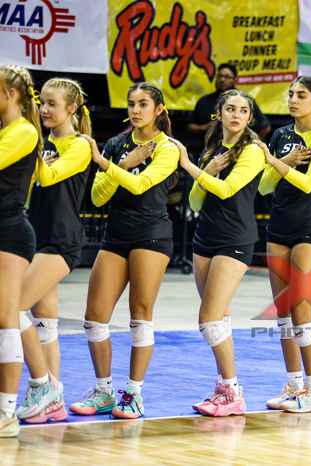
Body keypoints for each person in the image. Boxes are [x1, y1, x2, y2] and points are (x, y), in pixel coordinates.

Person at [70, 83, 179, 419]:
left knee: (140, 314)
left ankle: (133, 393)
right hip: (116, 235)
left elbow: (140, 184)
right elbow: (97, 197)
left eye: (143, 104)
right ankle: (104, 391)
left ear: (159, 109)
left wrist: (112, 166)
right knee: (94, 317)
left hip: (151, 235)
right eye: (131, 103)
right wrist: (123, 162)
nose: (135, 110)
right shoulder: (117, 144)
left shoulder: (167, 147)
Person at [177, 89, 265, 416]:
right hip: (205, 237)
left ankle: (233, 389)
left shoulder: (253, 150)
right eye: (230, 109)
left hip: (235, 238)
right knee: (219, 318)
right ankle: (224, 387)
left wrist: (190, 167)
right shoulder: (213, 150)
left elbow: (228, 190)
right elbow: (195, 200)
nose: (236, 115)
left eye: (242, 110)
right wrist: (207, 169)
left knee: (209, 320)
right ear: (220, 113)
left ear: (249, 117)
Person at [258, 76, 311, 413]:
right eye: (291, 94)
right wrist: (284, 161)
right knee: (282, 312)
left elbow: (309, 183)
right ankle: (294, 385)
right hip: (279, 227)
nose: (292, 99)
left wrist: (277, 162)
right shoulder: (281, 135)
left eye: (301, 95)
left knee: (301, 310)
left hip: (310, 230)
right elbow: (264, 187)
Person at [15, 78, 92, 424]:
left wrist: (29, 138)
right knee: (45, 325)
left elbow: (48, 177)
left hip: (61, 240)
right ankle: (55, 399)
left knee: (10, 308)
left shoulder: (80, 145)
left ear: (71, 108)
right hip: (36, 237)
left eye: (52, 104)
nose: (44, 109)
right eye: (41, 103)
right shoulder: (43, 143)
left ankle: (41, 385)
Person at [0, 64, 41, 438]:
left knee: (6, 318)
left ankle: (7, 412)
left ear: (11, 94)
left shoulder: (24, 131)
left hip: (9, 233)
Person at [188, 62, 271, 148]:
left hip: (238, 150)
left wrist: (252, 145)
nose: (222, 80)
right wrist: (205, 127)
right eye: (220, 76)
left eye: (227, 77)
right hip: (210, 150)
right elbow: (190, 126)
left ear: (235, 80)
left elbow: (265, 127)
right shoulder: (204, 101)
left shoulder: (245, 100)